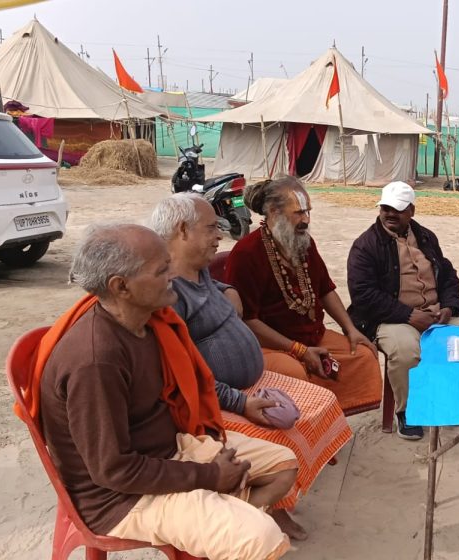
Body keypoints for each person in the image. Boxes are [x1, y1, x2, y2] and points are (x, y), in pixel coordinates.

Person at [33, 224, 299, 560]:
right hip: (120, 498)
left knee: (283, 465)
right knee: (262, 539)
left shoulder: (148, 322)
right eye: (161, 270)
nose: (174, 273)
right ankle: (227, 526)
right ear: (121, 286)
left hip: (167, 452)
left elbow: (193, 384)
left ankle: (221, 523)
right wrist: (210, 476)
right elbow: (113, 470)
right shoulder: (97, 361)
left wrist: (210, 476)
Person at [149, 193, 354, 537]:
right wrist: (241, 402)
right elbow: (186, 375)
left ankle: (281, 496)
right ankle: (265, 507)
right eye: (211, 228)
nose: (220, 234)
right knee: (282, 431)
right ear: (182, 231)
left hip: (247, 380)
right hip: (216, 399)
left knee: (322, 400)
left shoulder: (197, 271)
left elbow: (217, 287)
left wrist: (228, 290)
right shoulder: (166, 294)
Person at [223, 177, 383, 412]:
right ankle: (307, 426)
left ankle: (331, 420)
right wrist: (299, 350)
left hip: (313, 336)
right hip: (267, 346)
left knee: (362, 355)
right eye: (299, 213)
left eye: (308, 212)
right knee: (296, 374)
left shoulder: (304, 243)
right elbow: (247, 321)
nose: (306, 220)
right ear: (274, 212)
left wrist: (351, 329)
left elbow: (326, 289)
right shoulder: (246, 253)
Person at [347, 182, 459, 440]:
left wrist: (449, 307)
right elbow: (363, 295)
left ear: (411, 210)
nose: (390, 214)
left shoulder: (426, 237)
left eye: (398, 209)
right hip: (390, 319)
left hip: (435, 313)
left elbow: (448, 275)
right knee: (405, 351)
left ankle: (454, 401)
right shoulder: (366, 245)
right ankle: (408, 410)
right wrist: (408, 315)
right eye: (386, 208)